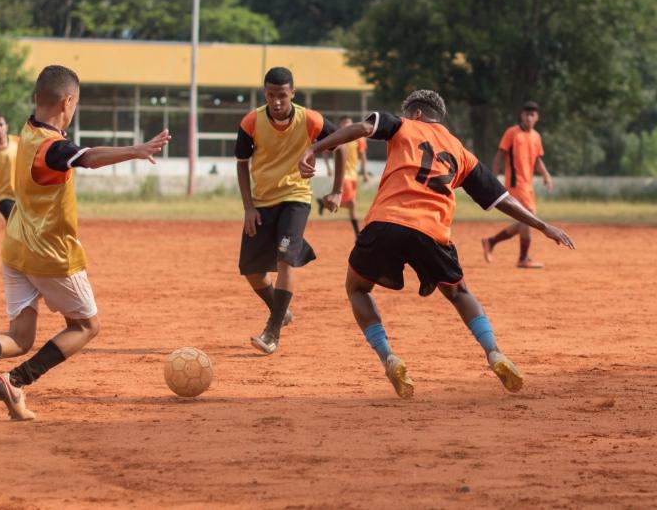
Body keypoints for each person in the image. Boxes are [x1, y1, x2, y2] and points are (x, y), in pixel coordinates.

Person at [299, 90, 575, 398]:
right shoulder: (460, 151)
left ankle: (388, 356)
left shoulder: (402, 125)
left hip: (387, 221)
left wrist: (315, 147)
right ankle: (494, 352)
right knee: (459, 293)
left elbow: (363, 128)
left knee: (357, 288)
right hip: (432, 230)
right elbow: (501, 198)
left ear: (416, 113)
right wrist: (542, 225)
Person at [0, 65, 170, 420]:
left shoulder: (28, 130)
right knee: (86, 326)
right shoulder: (51, 147)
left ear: (36, 99)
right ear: (68, 101)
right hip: (49, 255)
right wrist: (137, 150)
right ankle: (16, 381)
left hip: (15, 247)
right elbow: (88, 158)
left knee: (20, 336)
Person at [235, 66, 339, 354]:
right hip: (262, 201)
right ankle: (281, 311)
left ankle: (272, 332)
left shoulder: (311, 120)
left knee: (285, 261)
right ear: (264, 94)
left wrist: (337, 189)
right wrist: (248, 207)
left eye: (282, 95)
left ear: (292, 93)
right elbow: (242, 164)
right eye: (271, 95)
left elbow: (340, 145)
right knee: (252, 271)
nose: (277, 101)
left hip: (296, 198)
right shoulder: (251, 122)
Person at [482, 101, 554, 268]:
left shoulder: (536, 136)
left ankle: (491, 242)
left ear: (537, 117)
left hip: (528, 185)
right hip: (515, 184)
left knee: (525, 221)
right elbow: (499, 155)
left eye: (532, 114)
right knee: (529, 218)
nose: (529, 117)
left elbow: (537, 160)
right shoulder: (512, 133)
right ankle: (523, 258)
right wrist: (493, 177)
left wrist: (546, 175)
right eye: (526, 114)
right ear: (521, 115)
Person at [317, 116, 369, 236]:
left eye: (349, 123)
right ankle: (358, 234)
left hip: (354, 175)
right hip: (342, 175)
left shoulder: (359, 139)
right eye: (344, 123)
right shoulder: (338, 137)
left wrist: (365, 172)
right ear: (340, 125)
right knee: (352, 204)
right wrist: (329, 168)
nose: (347, 125)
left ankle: (323, 204)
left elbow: (362, 156)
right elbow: (325, 152)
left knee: (349, 204)